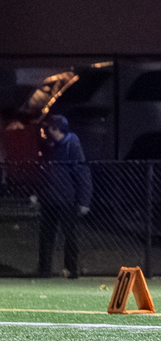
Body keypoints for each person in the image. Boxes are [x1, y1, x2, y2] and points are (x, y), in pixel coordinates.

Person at [36, 114, 91, 279]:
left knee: (68, 236)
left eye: (48, 128)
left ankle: (69, 269)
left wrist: (84, 200)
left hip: (66, 198)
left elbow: (82, 171)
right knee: (48, 235)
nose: (45, 131)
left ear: (55, 128)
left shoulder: (70, 145)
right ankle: (46, 270)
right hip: (52, 197)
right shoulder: (51, 146)